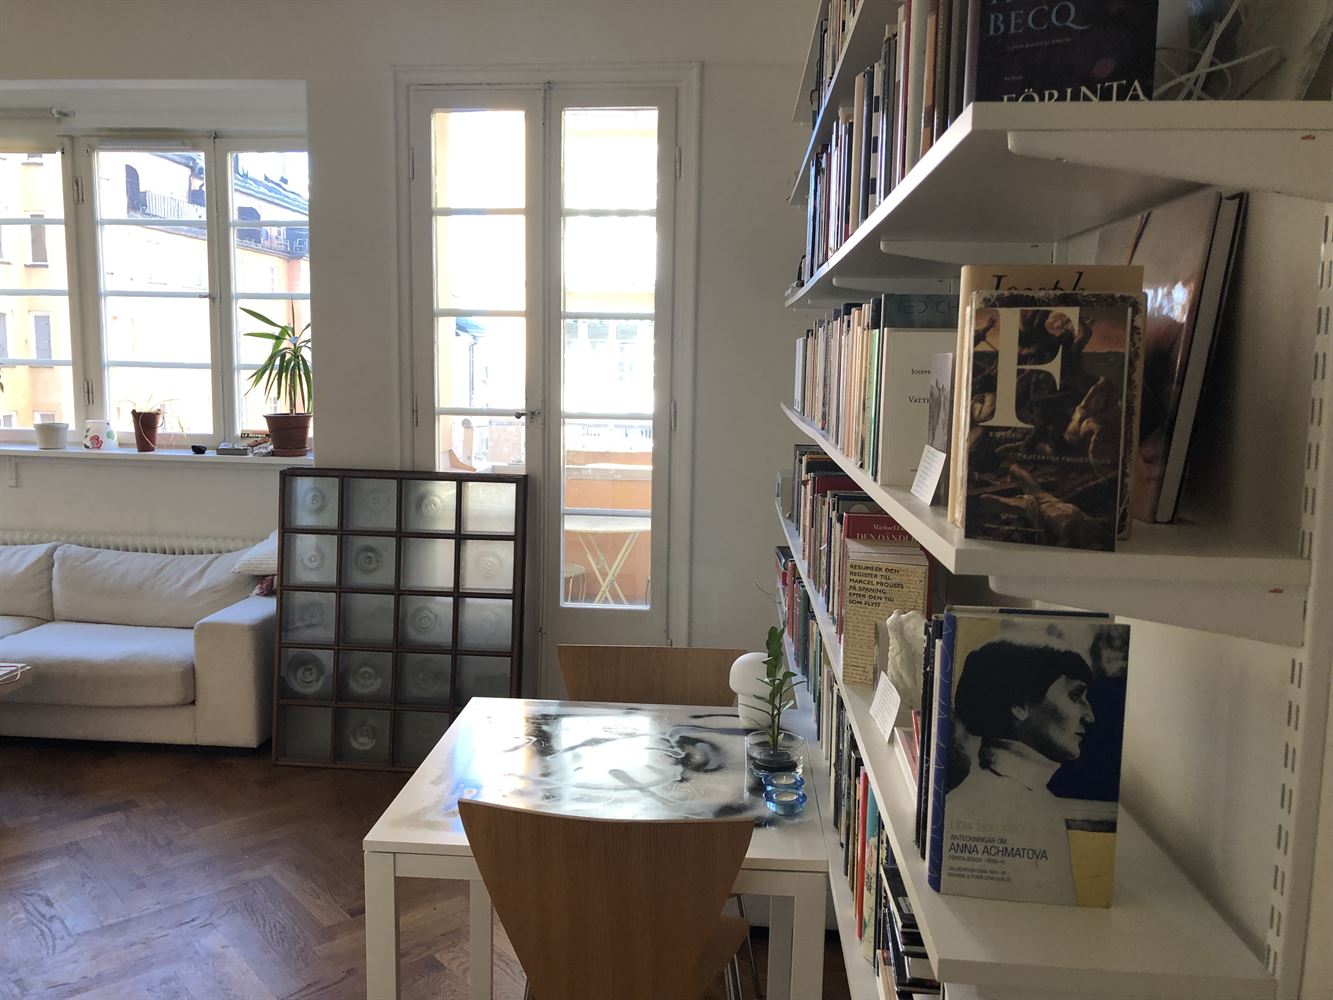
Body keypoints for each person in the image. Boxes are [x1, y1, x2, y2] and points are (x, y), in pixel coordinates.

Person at [941, 639, 1100, 905]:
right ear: (1020, 704)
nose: (1089, 715)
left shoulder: (1038, 799)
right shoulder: (972, 803)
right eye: (1075, 696)